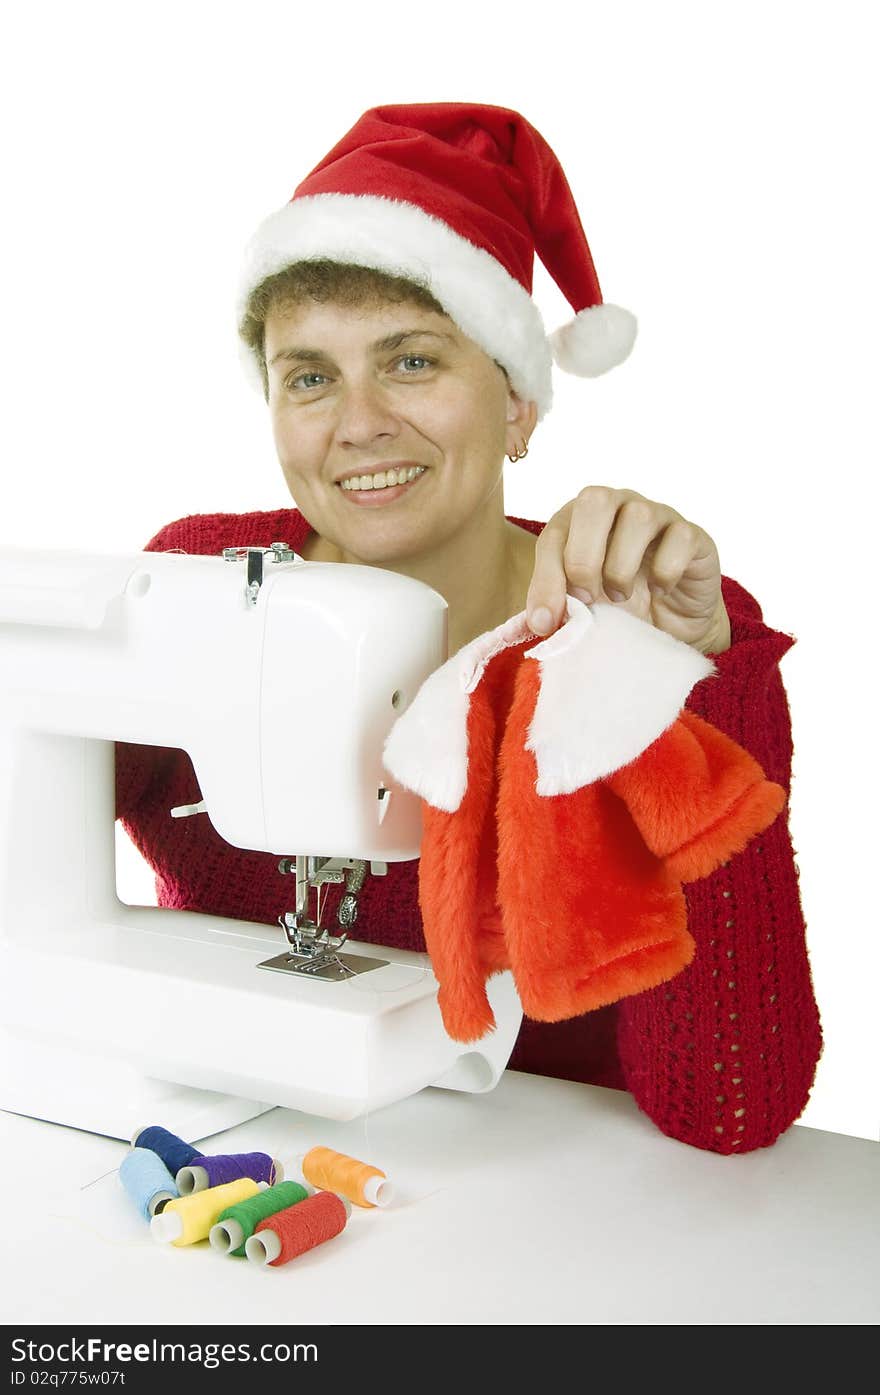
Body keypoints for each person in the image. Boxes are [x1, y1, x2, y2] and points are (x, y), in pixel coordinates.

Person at [115, 102, 822, 1155]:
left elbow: (731, 1104)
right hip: (233, 1150)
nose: (356, 423)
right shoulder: (204, 582)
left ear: (519, 406)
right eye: (309, 376)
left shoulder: (638, 620)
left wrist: (681, 679)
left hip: (544, 1205)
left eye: (410, 362)